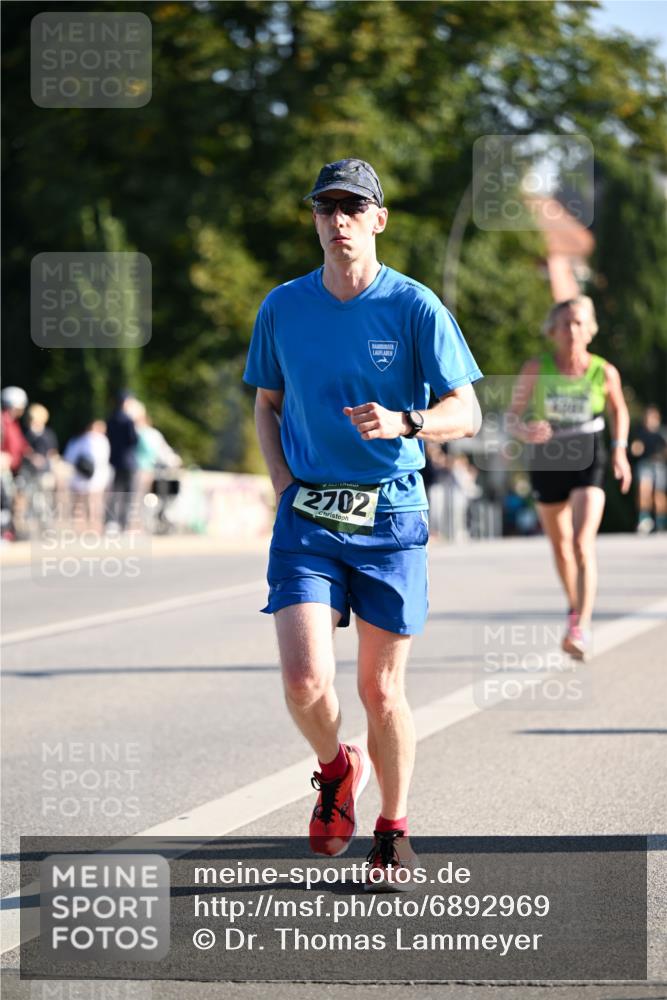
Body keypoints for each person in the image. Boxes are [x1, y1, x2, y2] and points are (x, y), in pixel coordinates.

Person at [243, 158, 482, 891]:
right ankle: (335, 767)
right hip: (308, 513)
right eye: (327, 208)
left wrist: (409, 421)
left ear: (378, 219)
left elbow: (467, 412)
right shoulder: (283, 307)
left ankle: (393, 829)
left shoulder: (414, 307)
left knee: (380, 692)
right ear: (316, 220)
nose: (339, 220)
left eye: (353, 207)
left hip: (391, 514)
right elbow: (266, 404)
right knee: (303, 680)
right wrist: (283, 485)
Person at [508, 296, 632, 660]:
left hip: (588, 455)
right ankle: (575, 604)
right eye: (565, 324)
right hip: (547, 458)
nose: (572, 330)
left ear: (590, 330)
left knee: (580, 542)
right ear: (553, 331)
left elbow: (619, 410)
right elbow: (511, 417)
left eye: (578, 323)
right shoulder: (536, 368)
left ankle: (581, 625)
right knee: (561, 547)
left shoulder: (603, 371)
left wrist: (620, 450)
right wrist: (526, 430)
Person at [63, 419, 112, 533]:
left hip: (83, 476)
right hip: (93, 477)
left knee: (81, 502)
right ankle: (94, 526)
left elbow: (70, 457)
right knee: (94, 502)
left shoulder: (80, 440)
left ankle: (80, 527)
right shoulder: (101, 440)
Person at [630, 406, 666, 534]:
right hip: (645, 465)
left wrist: (661, 455)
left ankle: (661, 522)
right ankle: (644, 519)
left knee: (658, 495)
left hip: (659, 466)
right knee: (643, 491)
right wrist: (635, 449)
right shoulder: (640, 433)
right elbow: (636, 448)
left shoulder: (662, 434)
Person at [105, 391, 139, 530]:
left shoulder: (111, 419)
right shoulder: (128, 421)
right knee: (128, 493)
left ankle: (110, 521)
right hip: (128, 461)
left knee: (114, 491)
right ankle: (124, 523)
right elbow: (133, 440)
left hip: (114, 460)